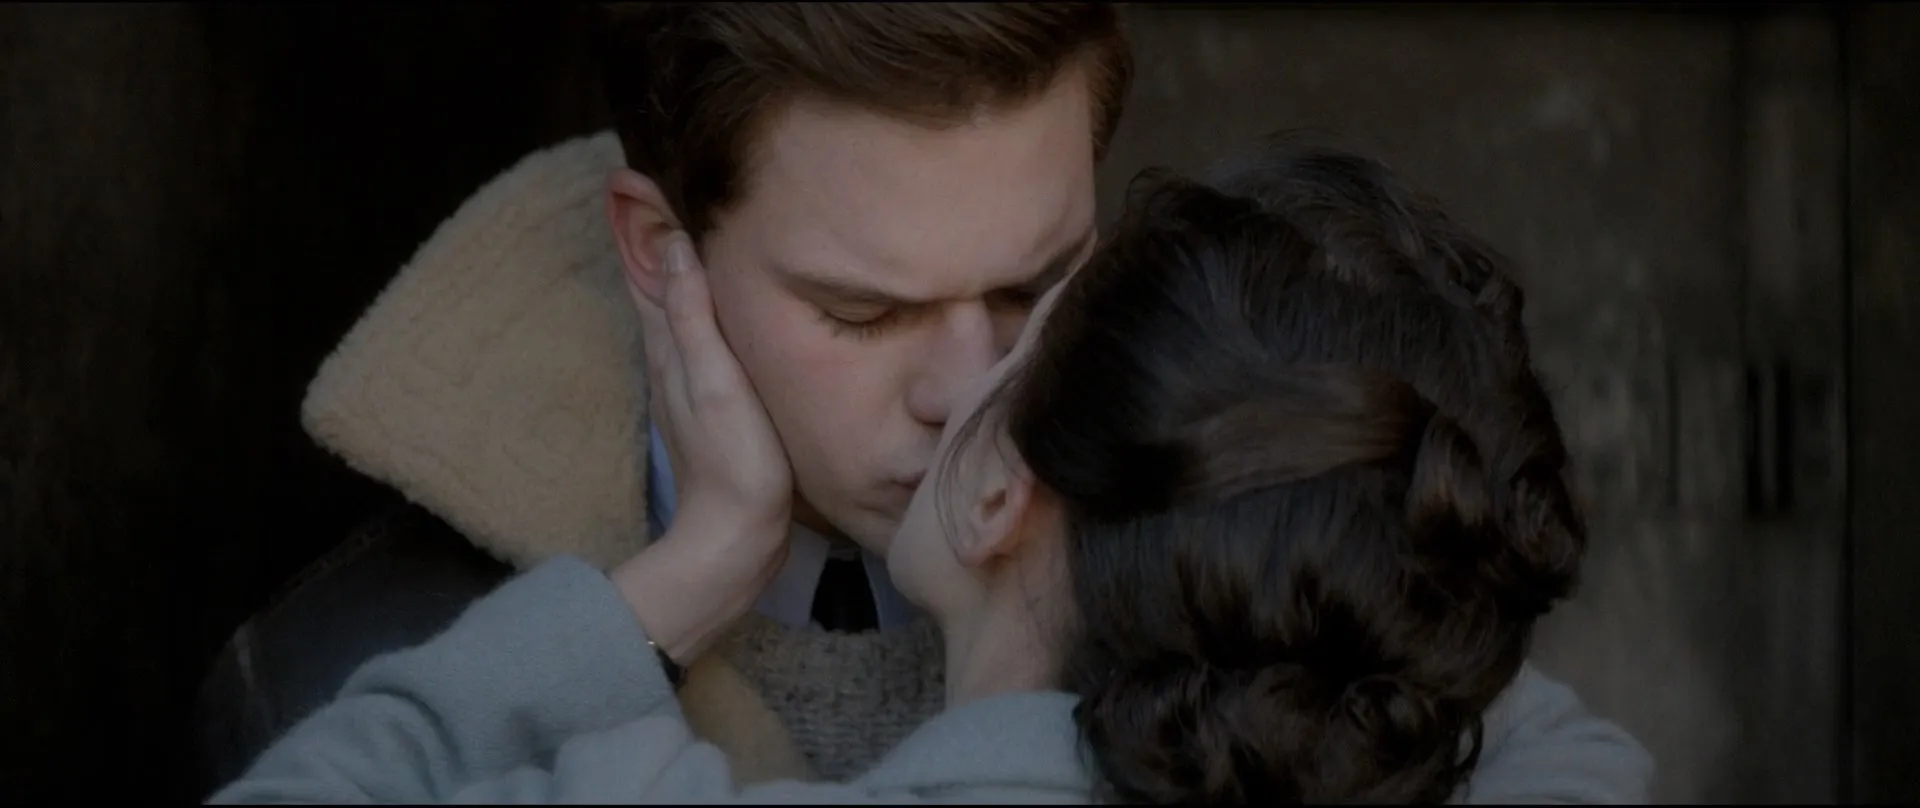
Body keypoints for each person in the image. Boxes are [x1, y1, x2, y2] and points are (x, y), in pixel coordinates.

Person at [197, 2, 1638, 795]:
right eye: (862, 312)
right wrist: (677, 591)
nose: (972, 390)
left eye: (1040, 283)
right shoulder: (343, 649)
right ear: (657, 248)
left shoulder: (1239, 532)